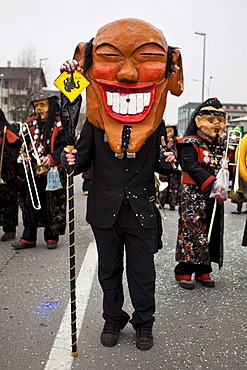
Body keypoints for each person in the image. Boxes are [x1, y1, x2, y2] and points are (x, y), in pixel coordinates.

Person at [60, 18, 184, 351]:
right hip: (105, 212)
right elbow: (79, 160)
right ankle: (113, 319)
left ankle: (144, 322)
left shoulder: (154, 126)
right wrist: (67, 158)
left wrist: (171, 163)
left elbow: (161, 163)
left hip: (141, 213)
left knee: (143, 274)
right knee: (109, 272)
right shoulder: (95, 128)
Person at [174, 98, 228, 289]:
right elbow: (190, 165)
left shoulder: (220, 144)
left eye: (219, 121)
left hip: (214, 194)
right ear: (198, 121)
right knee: (192, 231)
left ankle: (203, 269)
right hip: (193, 194)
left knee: (212, 230)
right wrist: (211, 182)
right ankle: (184, 270)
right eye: (211, 120)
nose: (216, 125)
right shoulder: (188, 143)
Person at [12, 90, 67, 250]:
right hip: (33, 170)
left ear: (51, 105)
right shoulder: (30, 123)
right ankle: (28, 237)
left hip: (53, 171)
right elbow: (22, 145)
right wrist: (25, 155)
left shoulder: (60, 124)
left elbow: (64, 146)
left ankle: (51, 236)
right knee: (29, 203)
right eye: (36, 106)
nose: (39, 109)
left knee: (52, 204)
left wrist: (51, 158)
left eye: (42, 105)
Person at [0, 109, 22, 241]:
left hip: (7, 173)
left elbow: (12, 152)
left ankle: (9, 229)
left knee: (7, 202)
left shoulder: (7, 132)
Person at [158, 123, 181, 211]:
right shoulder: (161, 141)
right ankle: (162, 202)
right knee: (163, 185)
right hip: (163, 167)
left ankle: (172, 203)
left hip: (175, 167)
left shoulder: (177, 142)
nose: (169, 133)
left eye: (170, 131)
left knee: (174, 186)